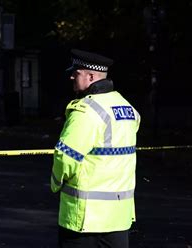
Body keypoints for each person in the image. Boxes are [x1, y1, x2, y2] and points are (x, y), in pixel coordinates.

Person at [51, 49, 141, 248]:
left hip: (84, 219)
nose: (72, 75)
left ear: (90, 76)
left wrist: (55, 183)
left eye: (77, 72)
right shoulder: (128, 109)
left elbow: (65, 157)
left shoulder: (85, 111)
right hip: (118, 218)